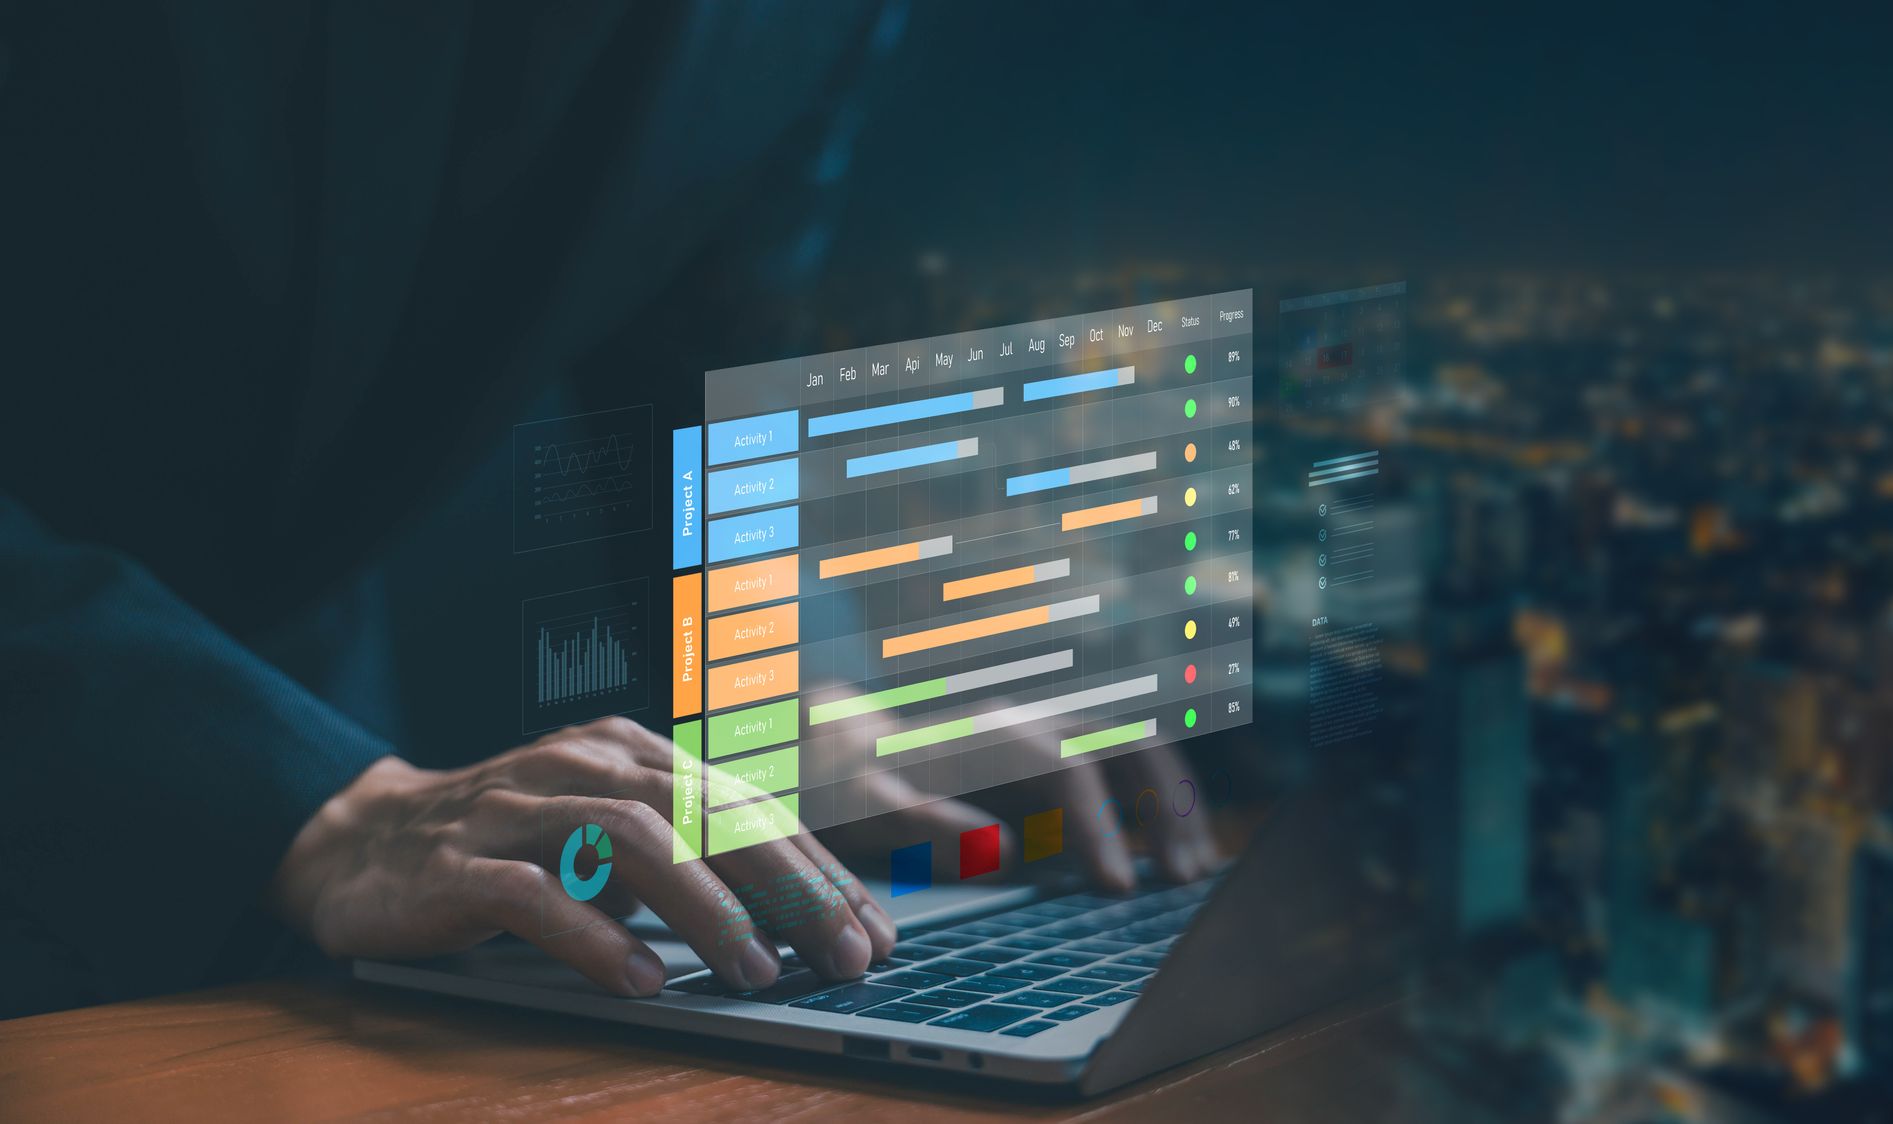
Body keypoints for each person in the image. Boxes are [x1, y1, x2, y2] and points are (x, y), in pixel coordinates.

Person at [0, 4, 1215, 1019]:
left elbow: (698, 354)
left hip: (308, 816)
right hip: (226, 764)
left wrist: (786, 701)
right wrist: (311, 796)